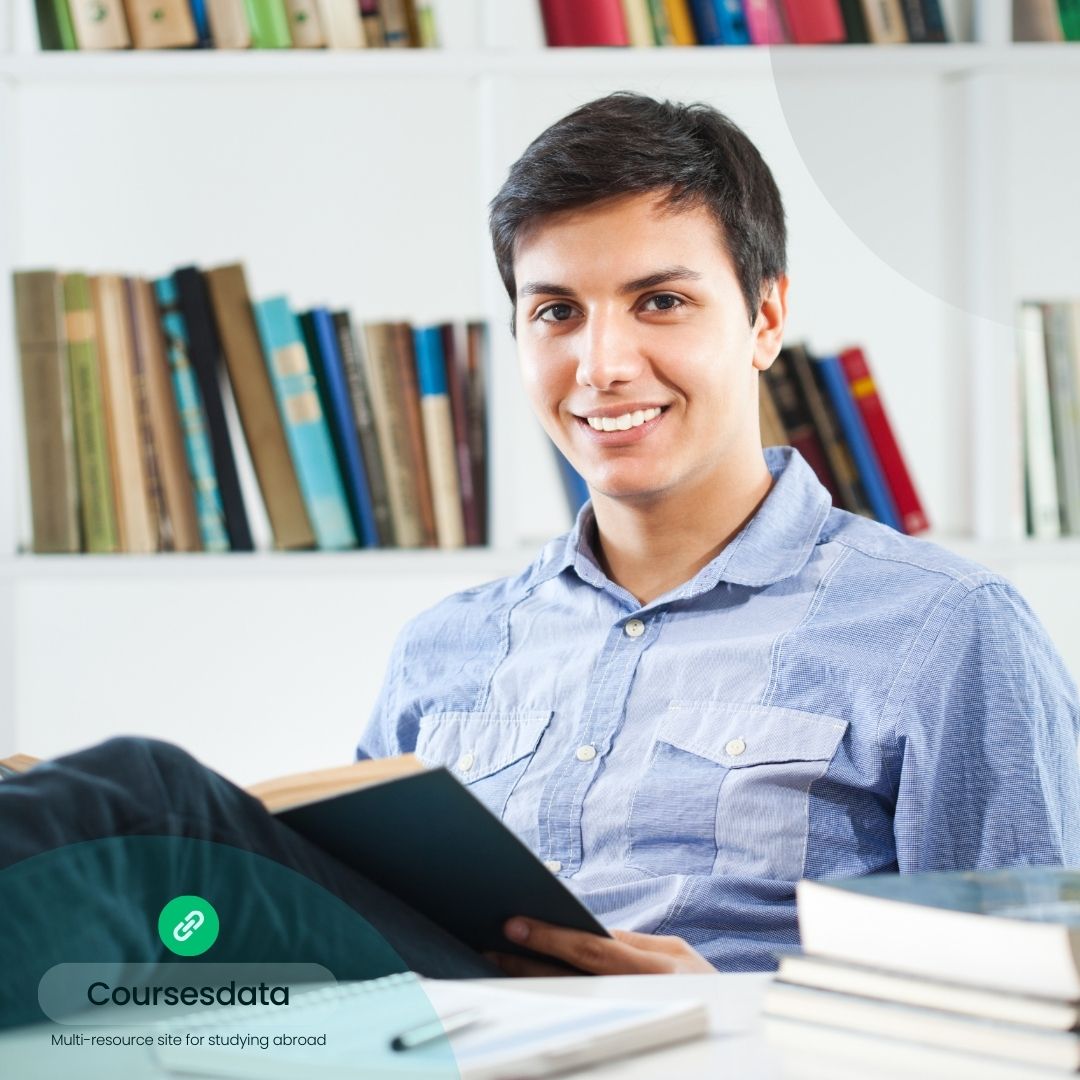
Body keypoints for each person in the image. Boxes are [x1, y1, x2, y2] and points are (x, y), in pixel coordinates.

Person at [2, 93, 1078, 1010]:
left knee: (139, 797)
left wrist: (738, 1015)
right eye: (556, 311)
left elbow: (1036, 1016)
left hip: (720, 1064)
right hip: (428, 1040)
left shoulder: (943, 629)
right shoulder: (448, 647)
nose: (601, 363)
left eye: (659, 301)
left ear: (763, 319)